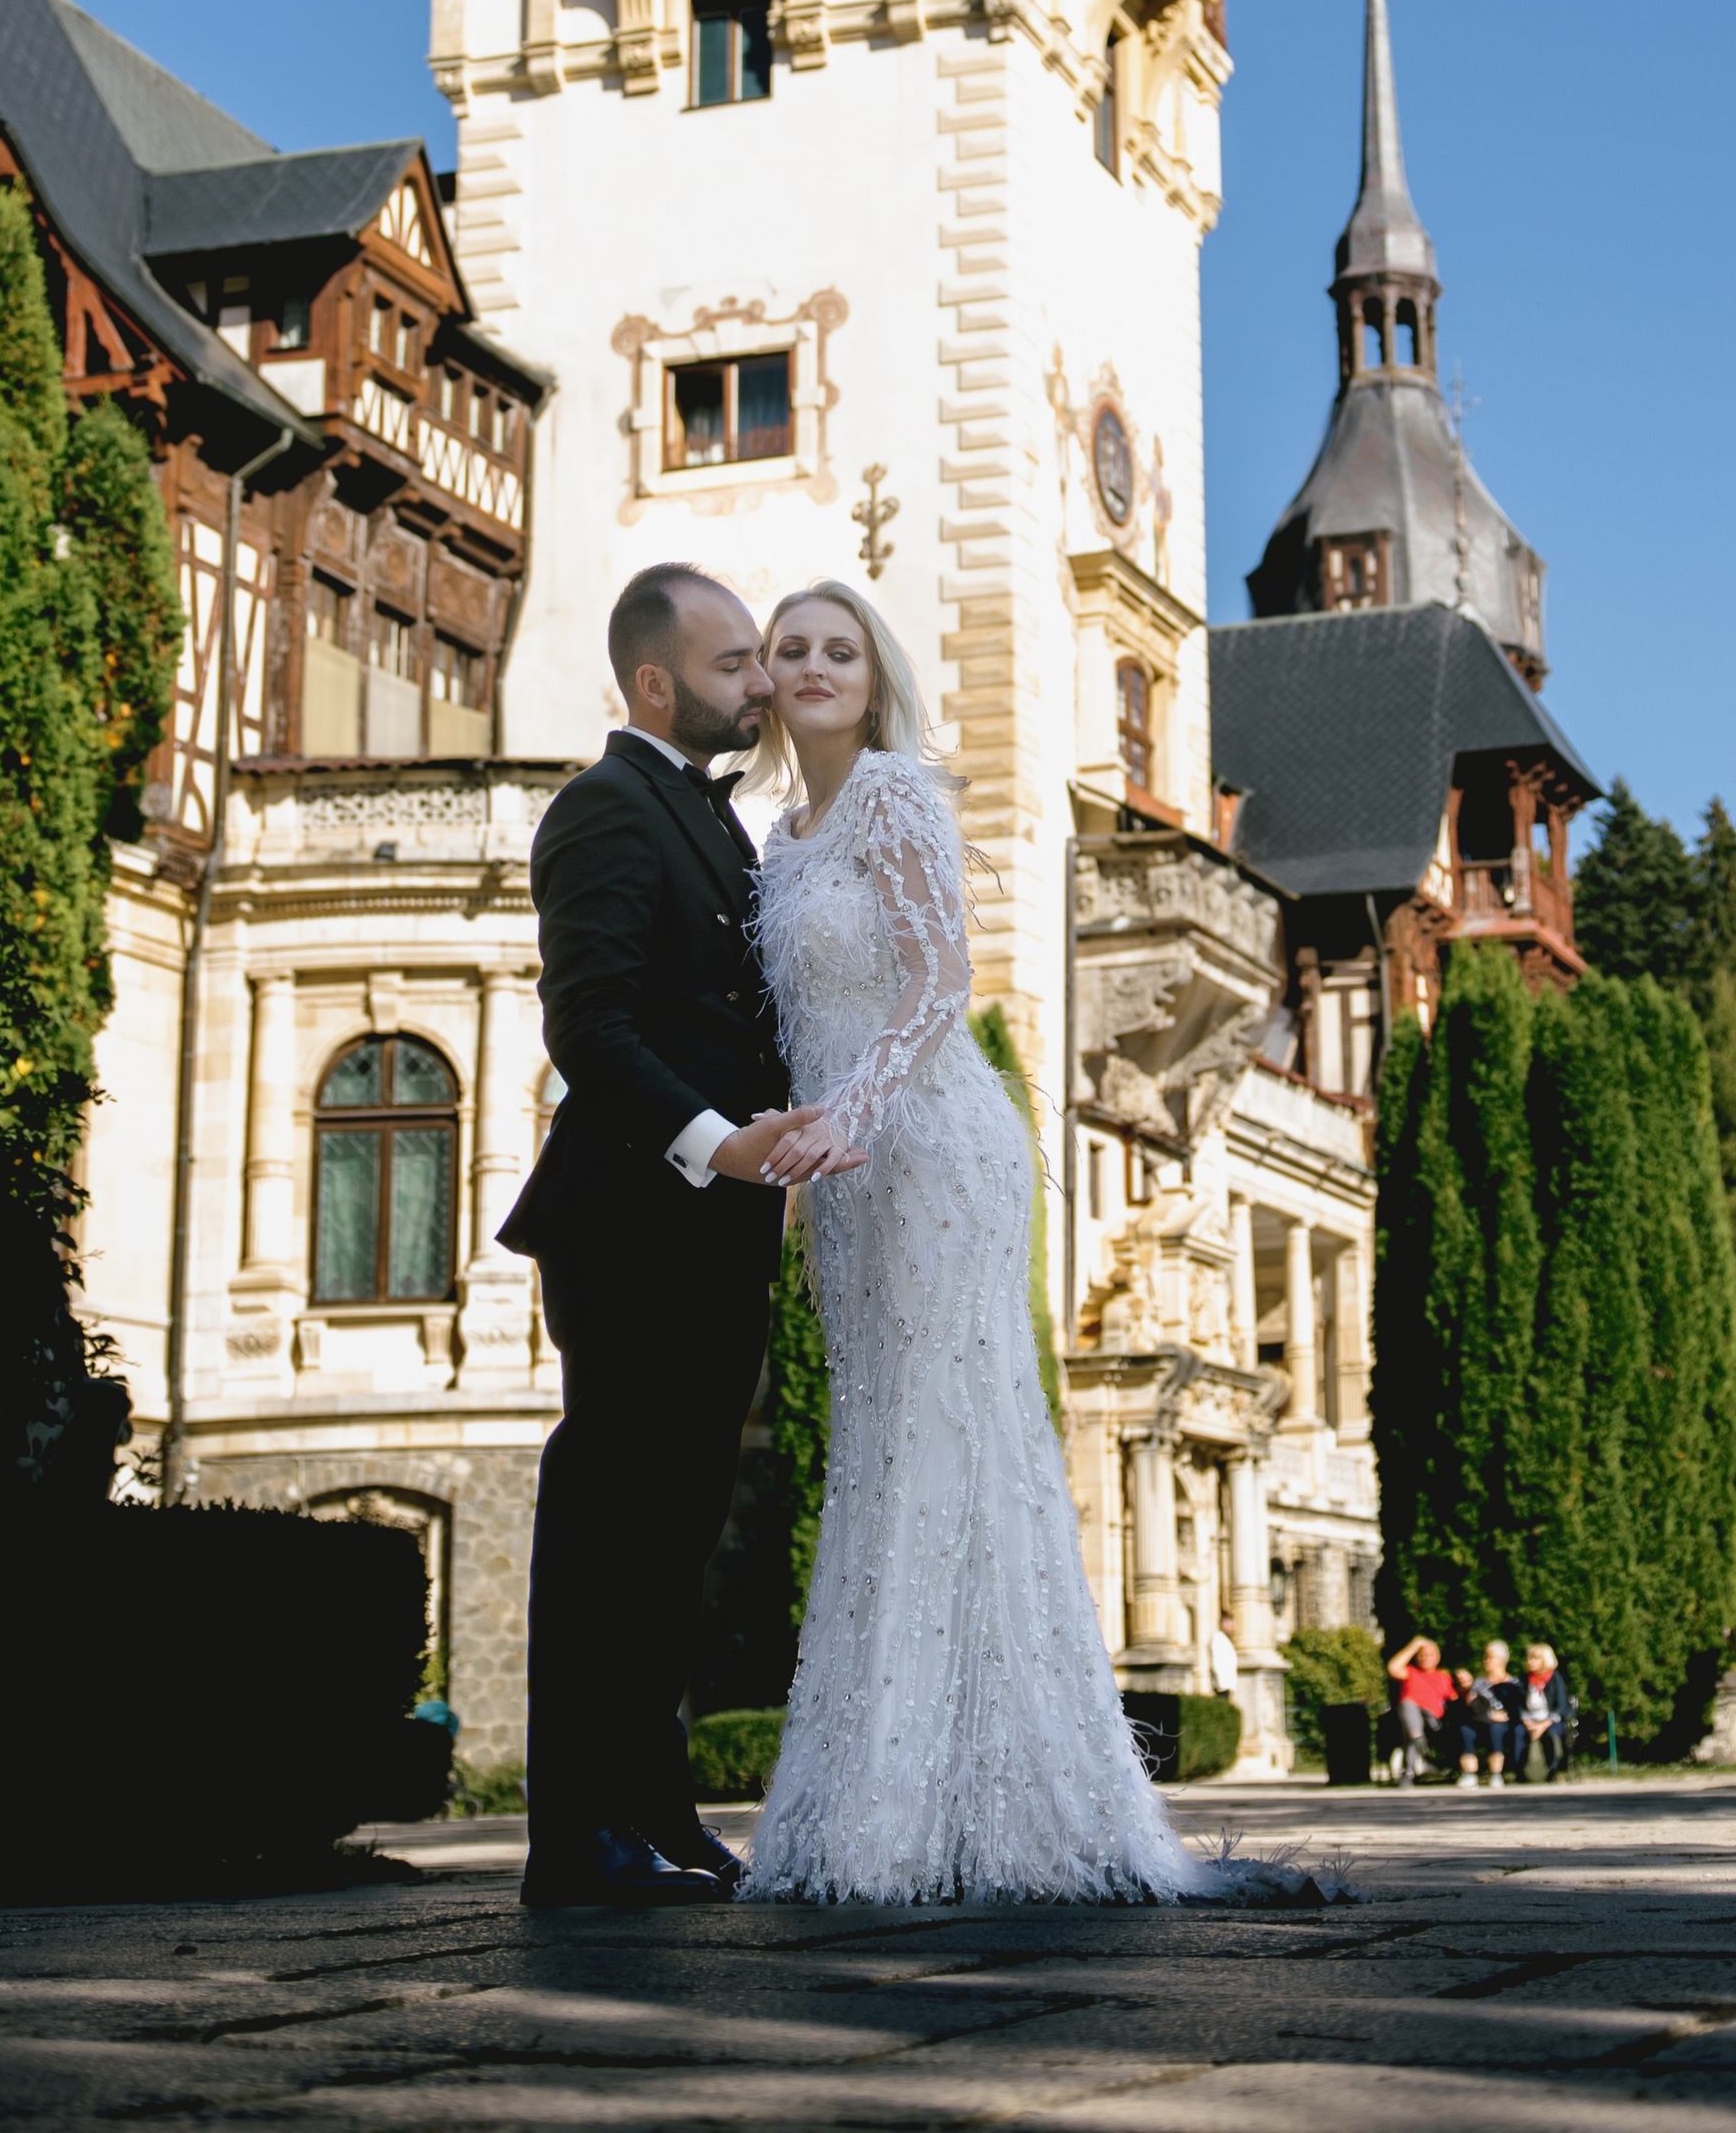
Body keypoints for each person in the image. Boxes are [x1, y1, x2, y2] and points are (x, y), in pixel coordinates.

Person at [737, 581, 1208, 1903]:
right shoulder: (779, 837)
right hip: (844, 1173)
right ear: (764, 679)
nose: (814, 666)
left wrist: (855, 1108)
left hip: (933, 1147)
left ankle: (947, 1815)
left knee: (946, 1436)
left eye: (839, 650)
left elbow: (944, 979)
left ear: (874, 677)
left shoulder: (894, 794)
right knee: (883, 1444)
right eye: (791, 649)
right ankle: (906, 1798)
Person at [496, 561, 860, 1911]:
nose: (761, 683)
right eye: (733, 665)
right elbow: (589, 1029)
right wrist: (720, 1143)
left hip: (718, 1226)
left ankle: (652, 1813)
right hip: (631, 1218)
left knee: (675, 1534)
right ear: (656, 685)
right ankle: (573, 1837)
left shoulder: (714, 820)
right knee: (610, 1523)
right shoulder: (603, 807)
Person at [1386, 1633, 1451, 1782]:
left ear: (1437, 1657)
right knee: (1408, 1707)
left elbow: (1452, 1698)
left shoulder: (1443, 1676)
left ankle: (1411, 1767)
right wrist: (1413, 1646)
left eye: (1430, 1654)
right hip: (1412, 1716)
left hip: (1434, 1719)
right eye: (1422, 1655)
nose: (1426, 1658)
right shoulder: (1411, 1672)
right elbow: (1393, 1668)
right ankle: (1419, 1749)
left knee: (1412, 1731)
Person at [1462, 1638, 1519, 1787]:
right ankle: (1469, 1775)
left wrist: (1503, 1715)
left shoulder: (1513, 1683)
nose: (1485, 1661)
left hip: (1503, 1724)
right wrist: (1489, 1714)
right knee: (1465, 1729)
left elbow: (1516, 1708)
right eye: (1485, 1657)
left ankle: (1495, 1775)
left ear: (1501, 1660)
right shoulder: (1479, 1682)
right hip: (1481, 1720)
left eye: (1489, 1657)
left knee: (1496, 1728)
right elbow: (1472, 1707)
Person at [1518, 1642, 1570, 1779]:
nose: (1530, 1662)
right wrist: (1527, 1721)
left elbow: (1562, 1706)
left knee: (1552, 1734)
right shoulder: (1525, 1679)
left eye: (1535, 1659)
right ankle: (1522, 1773)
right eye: (1529, 1658)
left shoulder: (1555, 1678)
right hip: (1530, 1719)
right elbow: (1520, 1704)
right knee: (1519, 1732)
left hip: (1551, 1720)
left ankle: (1552, 1771)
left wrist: (1543, 1725)